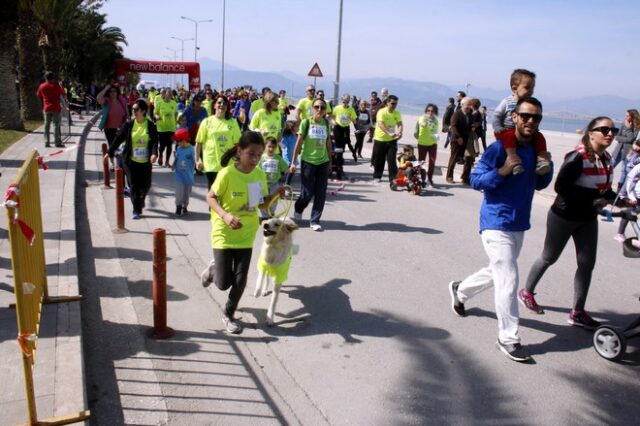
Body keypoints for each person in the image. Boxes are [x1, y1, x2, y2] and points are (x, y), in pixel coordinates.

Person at [448, 97, 553, 363]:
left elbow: (539, 183)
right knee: (508, 279)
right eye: (526, 116)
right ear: (515, 117)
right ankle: (508, 338)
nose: (531, 121)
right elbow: (475, 179)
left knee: (498, 272)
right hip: (495, 222)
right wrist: (503, 171)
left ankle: (460, 291)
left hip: (518, 223)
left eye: (536, 117)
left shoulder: (536, 149)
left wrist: (546, 168)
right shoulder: (498, 149)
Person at [519, 116, 616, 329]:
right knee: (549, 257)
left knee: (587, 264)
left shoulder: (606, 158)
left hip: (587, 218)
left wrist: (622, 201)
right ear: (591, 133)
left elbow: (605, 190)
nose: (610, 134)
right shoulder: (577, 157)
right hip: (563, 216)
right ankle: (526, 292)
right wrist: (592, 198)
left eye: (613, 130)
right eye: (604, 130)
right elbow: (561, 187)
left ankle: (577, 312)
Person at [200, 132, 282, 334]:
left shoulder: (258, 174)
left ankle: (228, 315)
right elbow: (210, 198)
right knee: (222, 284)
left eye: (259, 155)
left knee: (240, 281)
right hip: (224, 234)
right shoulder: (227, 174)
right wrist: (226, 216)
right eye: (251, 154)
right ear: (239, 151)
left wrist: (274, 196)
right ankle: (213, 270)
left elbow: (259, 203)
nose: (255, 159)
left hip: (246, 234)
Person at [105, 99, 159, 220]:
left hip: (145, 162)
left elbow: (155, 141)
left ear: (144, 111)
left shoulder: (150, 125)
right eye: (132, 109)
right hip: (130, 161)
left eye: (136, 109)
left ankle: (141, 199)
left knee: (146, 185)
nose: (133, 111)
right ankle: (136, 209)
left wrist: (154, 154)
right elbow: (118, 138)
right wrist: (110, 152)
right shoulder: (129, 125)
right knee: (133, 185)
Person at [492, 69, 550, 176]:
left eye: (532, 88)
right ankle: (513, 160)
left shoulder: (530, 104)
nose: (531, 91)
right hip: (505, 131)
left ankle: (542, 160)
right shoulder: (507, 101)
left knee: (539, 137)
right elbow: (496, 115)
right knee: (509, 136)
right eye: (527, 88)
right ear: (514, 88)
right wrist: (497, 127)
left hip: (519, 133)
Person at [289, 98, 332, 231]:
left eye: (322, 108)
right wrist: (293, 162)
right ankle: (298, 208)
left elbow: (328, 143)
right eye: (317, 107)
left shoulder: (326, 123)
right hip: (308, 161)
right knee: (307, 193)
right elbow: (299, 143)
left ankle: (315, 220)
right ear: (313, 108)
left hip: (323, 162)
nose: (320, 110)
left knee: (320, 193)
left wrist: (330, 161)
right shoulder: (306, 122)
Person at [196, 95, 242, 190]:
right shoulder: (206, 122)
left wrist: (239, 160)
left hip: (227, 164)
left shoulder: (232, 122)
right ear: (214, 105)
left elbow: (238, 144)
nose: (222, 105)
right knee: (213, 192)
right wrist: (197, 160)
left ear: (227, 107)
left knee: (225, 192)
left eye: (224, 103)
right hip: (211, 163)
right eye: (219, 102)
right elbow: (199, 143)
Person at [372, 95, 403, 189]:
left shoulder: (397, 113)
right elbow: (380, 124)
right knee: (379, 159)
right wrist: (388, 133)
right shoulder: (381, 112)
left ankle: (393, 179)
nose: (394, 106)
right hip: (380, 139)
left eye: (396, 104)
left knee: (391, 159)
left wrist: (400, 132)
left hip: (392, 140)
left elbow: (400, 124)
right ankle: (377, 176)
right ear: (387, 103)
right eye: (393, 103)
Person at [614, 138, 640, 242]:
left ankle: (620, 233)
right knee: (633, 210)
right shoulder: (634, 156)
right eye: (637, 145)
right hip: (633, 188)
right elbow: (629, 172)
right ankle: (620, 233)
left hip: (634, 187)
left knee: (634, 210)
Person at [610, 109, 640, 192]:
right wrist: (626, 138)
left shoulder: (637, 127)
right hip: (618, 150)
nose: (625, 117)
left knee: (624, 172)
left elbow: (631, 139)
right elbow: (617, 137)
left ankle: (620, 192)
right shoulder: (623, 124)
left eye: (627, 116)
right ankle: (606, 186)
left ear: (632, 117)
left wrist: (628, 128)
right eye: (625, 115)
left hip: (628, 152)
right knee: (610, 167)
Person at [259, 137, 288, 218]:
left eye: (273, 147)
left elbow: (285, 167)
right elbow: (255, 168)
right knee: (264, 200)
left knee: (274, 200)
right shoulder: (261, 158)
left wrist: (289, 169)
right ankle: (264, 216)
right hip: (263, 184)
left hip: (274, 184)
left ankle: (271, 213)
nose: (271, 149)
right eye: (269, 146)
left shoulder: (278, 158)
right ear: (265, 146)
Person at [97, 83, 129, 158]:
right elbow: (98, 99)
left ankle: (119, 163)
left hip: (121, 128)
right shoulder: (106, 101)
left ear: (117, 92)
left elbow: (127, 113)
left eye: (114, 91)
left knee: (120, 146)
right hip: (109, 128)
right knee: (112, 146)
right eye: (110, 91)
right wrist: (105, 89)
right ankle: (113, 164)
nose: (113, 93)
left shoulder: (122, 101)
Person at [37, 72, 67, 148]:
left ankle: (46, 142)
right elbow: (63, 93)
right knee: (56, 125)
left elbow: (38, 95)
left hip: (46, 107)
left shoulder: (42, 86)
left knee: (46, 125)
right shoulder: (56, 86)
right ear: (53, 77)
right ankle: (57, 142)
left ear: (45, 78)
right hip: (56, 107)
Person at [446, 97, 471, 183]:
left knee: (468, 159)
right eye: (467, 105)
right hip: (456, 140)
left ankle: (465, 177)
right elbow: (453, 127)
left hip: (466, 140)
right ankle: (449, 176)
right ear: (462, 105)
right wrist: (458, 137)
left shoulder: (469, 114)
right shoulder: (457, 114)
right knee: (453, 158)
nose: (469, 107)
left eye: (470, 105)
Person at [171, 128, 195, 216]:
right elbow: (177, 158)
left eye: (178, 141)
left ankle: (185, 206)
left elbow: (196, 160)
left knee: (186, 193)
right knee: (179, 192)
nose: (177, 143)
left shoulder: (192, 149)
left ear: (184, 140)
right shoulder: (179, 148)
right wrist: (173, 164)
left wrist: (199, 165)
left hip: (188, 176)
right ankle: (178, 206)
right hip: (179, 175)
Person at [414, 103, 439, 186]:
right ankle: (417, 176)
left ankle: (430, 178)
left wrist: (437, 138)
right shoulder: (422, 118)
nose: (430, 112)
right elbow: (422, 123)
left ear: (435, 112)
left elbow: (435, 131)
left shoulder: (436, 120)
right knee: (421, 161)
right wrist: (423, 124)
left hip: (433, 143)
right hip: (422, 143)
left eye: (432, 111)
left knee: (432, 161)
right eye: (428, 110)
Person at [154, 88, 178, 167]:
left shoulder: (174, 103)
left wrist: (176, 122)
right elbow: (155, 113)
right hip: (161, 128)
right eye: (168, 94)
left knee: (169, 145)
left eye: (171, 94)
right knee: (162, 145)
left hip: (171, 128)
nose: (170, 95)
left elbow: (176, 113)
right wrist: (157, 116)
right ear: (165, 94)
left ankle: (167, 161)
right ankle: (160, 154)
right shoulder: (159, 103)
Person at [331, 93, 358, 164]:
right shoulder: (337, 108)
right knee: (338, 143)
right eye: (343, 101)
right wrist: (334, 122)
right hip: (338, 127)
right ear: (341, 101)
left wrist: (350, 118)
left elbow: (355, 121)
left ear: (348, 102)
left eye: (347, 102)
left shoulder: (351, 109)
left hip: (345, 128)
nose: (345, 103)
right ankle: (338, 157)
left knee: (346, 143)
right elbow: (332, 116)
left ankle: (344, 155)